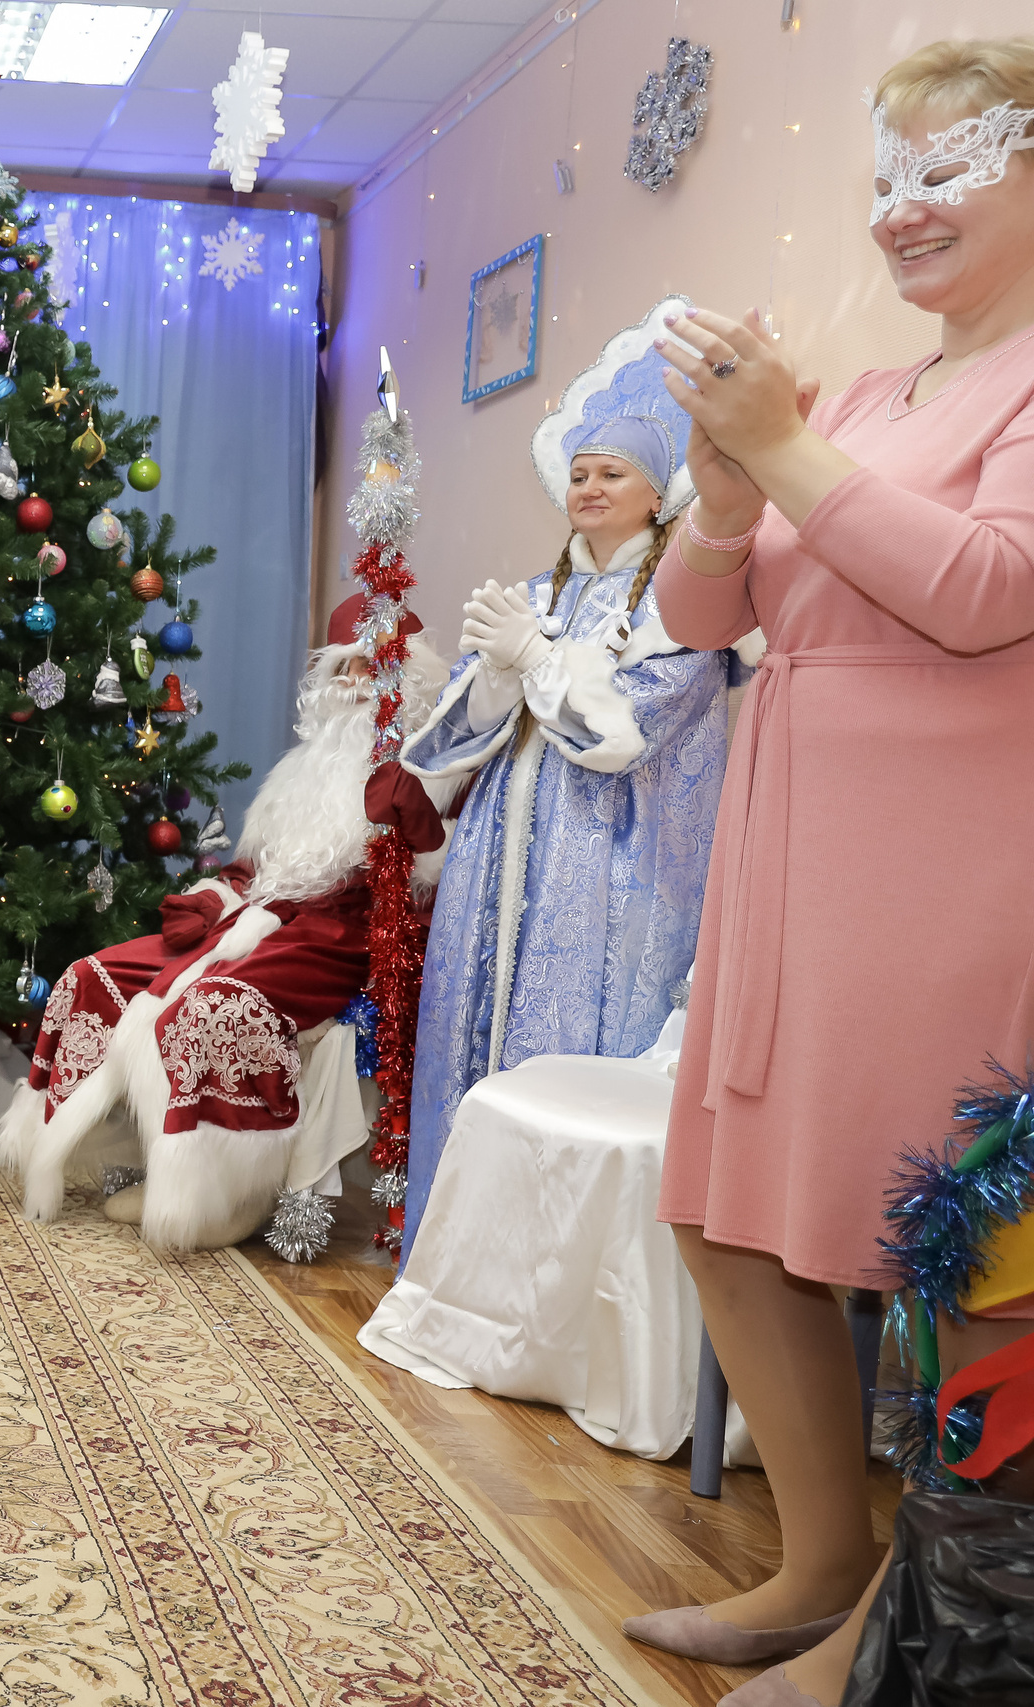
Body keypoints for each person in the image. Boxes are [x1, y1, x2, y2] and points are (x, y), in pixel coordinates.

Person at [627, 37, 1034, 1707]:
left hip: (949, 884)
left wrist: (780, 449)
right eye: (886, 177)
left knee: (949, 1253)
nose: (904, 208)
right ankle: (820, 1564)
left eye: (951, 167)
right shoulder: (868, 400)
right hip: (789, 863)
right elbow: (701, 619)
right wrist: (725, 492)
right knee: (729, 1212)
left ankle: (916, 1632)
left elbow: (982, 587)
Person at [0, 594, 451, 1252]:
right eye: (344, 670)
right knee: (96, 974)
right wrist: (212, 898)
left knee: (212, 1007)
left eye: (371, 669)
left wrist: (412, 824)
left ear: (406, 679)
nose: (355, 684)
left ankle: (220, 1195)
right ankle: (116, 1150)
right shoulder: (301, 770)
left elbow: (429, 888)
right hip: (256, 919)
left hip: (342, 939)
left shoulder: (430, 772)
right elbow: (256, 868)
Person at [398, 410, 742, 1252]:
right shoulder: (537, 595)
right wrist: (501, 674)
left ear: (658, 495)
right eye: (580, 475)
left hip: (607, 877)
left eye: (612, 475)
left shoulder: (680, 609)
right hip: (494, 867)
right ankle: (455, 1263)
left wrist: (539, 662)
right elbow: (450, 741)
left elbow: (622, 737)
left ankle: (546, 1288)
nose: (588, 489)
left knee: (569, 1075)